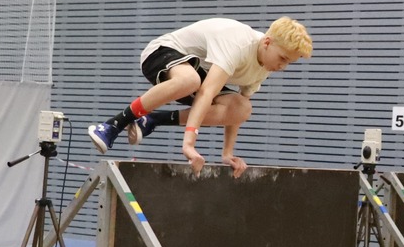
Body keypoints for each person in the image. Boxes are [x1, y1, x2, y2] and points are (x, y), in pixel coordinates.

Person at [86, 17, 313, 177]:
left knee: (242, 108)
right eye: (282, 58)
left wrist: (227, 153)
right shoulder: (239, 43)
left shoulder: (263, 68)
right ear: (267, 42)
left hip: (197, 70)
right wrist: (189, 144)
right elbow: (206, 92)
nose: (283, 67)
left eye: (289, 63)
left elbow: (235, 113)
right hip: (161, 52)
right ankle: (113, 124)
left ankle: (151, 120)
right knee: (190, 80)